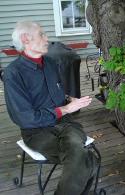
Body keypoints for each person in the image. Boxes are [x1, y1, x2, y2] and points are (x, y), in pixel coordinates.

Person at [4, 21, 97, 195]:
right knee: (86, 158)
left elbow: (58, 91)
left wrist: (69, 99)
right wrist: (66, 109)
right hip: (37, 132)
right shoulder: (13, 74)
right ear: (26, 39)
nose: (47, 39)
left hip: (66, 124)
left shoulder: (51, 63)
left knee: (83, 157)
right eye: (42, 34)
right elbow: (25, 118)